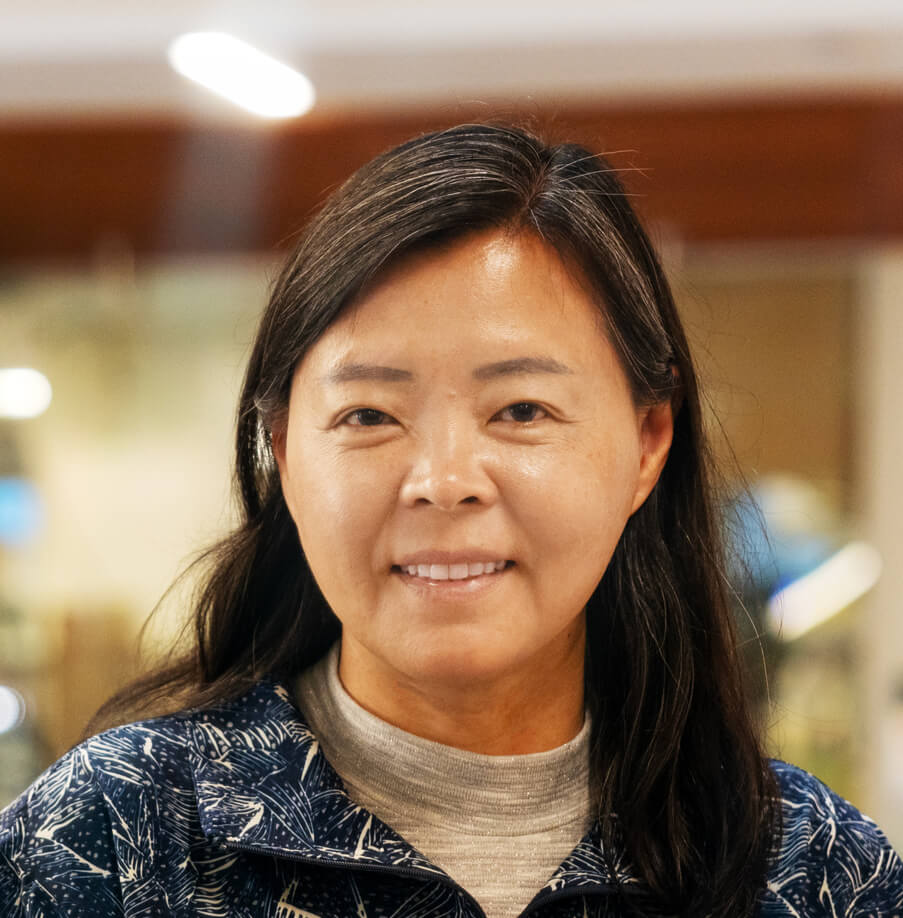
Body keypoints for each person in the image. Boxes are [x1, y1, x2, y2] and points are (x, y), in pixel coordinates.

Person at [1, 123, 901, 918]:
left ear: (646, 441)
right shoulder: (111, 843)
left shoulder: (811, 871)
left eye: (519, 411)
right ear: (282, 448)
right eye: (368, 416)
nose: (441, 481)